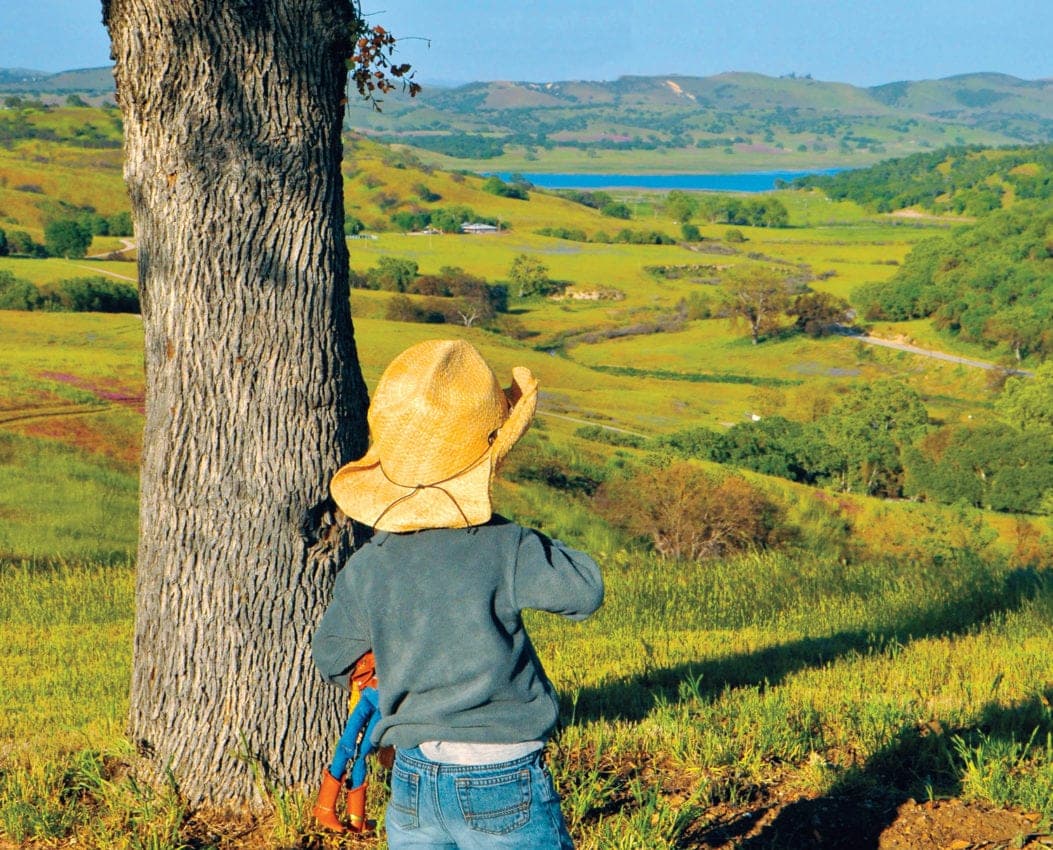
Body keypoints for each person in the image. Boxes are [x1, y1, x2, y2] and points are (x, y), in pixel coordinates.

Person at [312, 338, 604, 849]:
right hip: (504, 776)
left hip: (411, 779)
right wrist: (514, 533)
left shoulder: (370, 564)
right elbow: (585, 589)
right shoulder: (505, 545)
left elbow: (333, 657)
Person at [311, 651, 380, 833]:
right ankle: (324, 807)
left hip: (383, 700)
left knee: (363, 753)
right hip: (369, 692)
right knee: (347, 746)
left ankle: (356, 818)